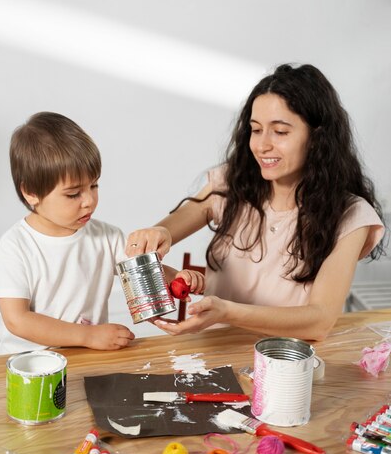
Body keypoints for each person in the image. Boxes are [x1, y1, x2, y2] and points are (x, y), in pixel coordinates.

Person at [125, 64, 386, 341]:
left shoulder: (351, 216)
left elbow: (319, 321)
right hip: (212, 354)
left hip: (284, 364)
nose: (262, 146)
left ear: (317, 137)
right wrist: (160, 233)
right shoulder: (231, 183)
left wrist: (227, 312)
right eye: (256, 129)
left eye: (280, 132)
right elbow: (190, 212)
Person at [0, 112, 203, 356]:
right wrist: (88, 335)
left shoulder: (106, 237)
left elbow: (140, 268)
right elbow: (18, 320)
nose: (89, 201)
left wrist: (176, 279)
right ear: (31, 192)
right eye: (73, 194)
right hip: (26, 366)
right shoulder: (14, 248)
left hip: (86, 357)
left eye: (94, 186)